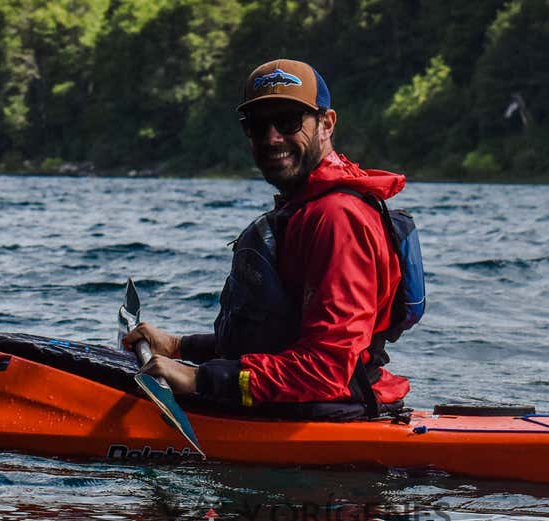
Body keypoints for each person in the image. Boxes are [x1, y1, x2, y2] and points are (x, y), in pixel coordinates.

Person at [123, 59, 411, 418]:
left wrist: (200, 380)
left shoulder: (337, 219)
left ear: (326, 123)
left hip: (328, 410)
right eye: (258, 125)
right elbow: (279, 339)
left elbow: (326, 371)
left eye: (289, 121)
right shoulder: (304, 208)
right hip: (300, 398)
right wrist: (180, 347)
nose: (272, 138)